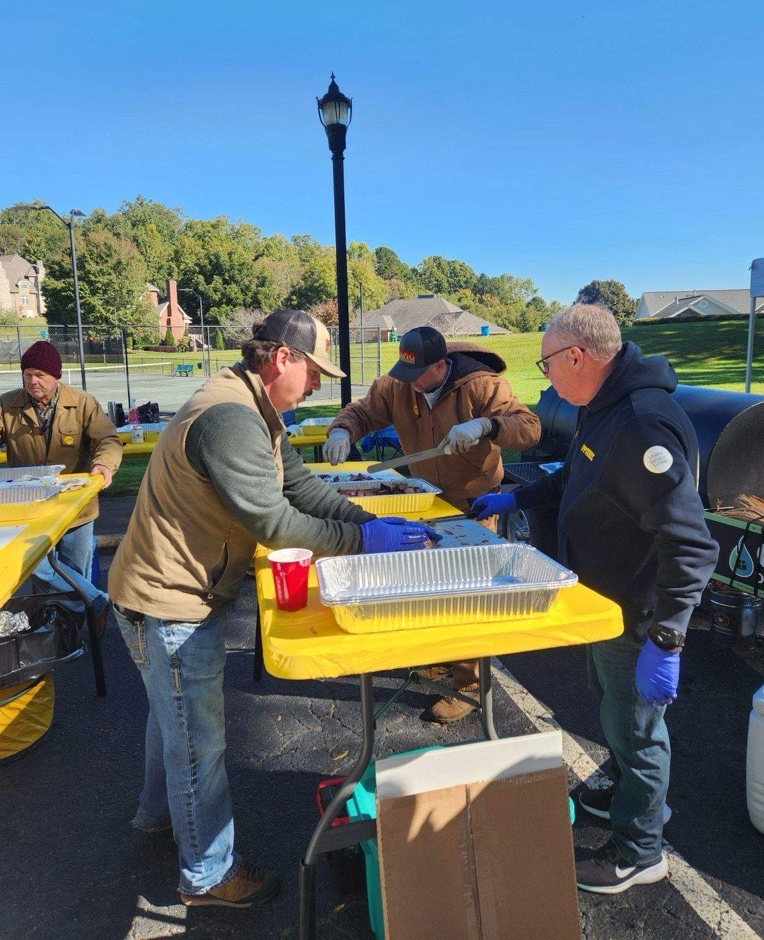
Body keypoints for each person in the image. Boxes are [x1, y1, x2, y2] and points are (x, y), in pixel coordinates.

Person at [108, 310, 439, 910]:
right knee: (196, 741)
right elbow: (274, 521)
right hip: (172, 601)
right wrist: (366, 544)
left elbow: (302, 489)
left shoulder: (258, 410)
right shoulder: (232, 418)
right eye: (314, 372)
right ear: (282, 359)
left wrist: (370, 521)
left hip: (167, 591)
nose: (318, 386)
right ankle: (207, 876)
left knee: (172, 718)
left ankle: (158, 815)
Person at [472, 304, 718, 894]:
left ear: (577, 357)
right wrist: (517, 498)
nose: (546, 376)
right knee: (613, 708)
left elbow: (690, 541)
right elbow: (576, 478)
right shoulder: (603, 411)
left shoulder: (639, 425)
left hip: (636, 612)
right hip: (600, 602)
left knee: (638, 728)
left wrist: (668, 636)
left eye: (547, 362)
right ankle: (622, 785)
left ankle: (640, 850)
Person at [324, 325, 541, 722]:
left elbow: (528, 426)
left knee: (467, 593)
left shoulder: (481, 385)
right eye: (403, 373)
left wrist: (486, 426)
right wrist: (342, 428)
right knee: (427, 587)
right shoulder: (399, 383)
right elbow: (362, 410)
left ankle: (469, 684)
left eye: (417, 374)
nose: (408, 383)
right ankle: (441, 660)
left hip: (475, 502)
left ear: (441, 365)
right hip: (424, 501)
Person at [0, 340, 122, 635]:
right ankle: (96, 602)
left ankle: (73, 634)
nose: (33, 381)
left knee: (73, 570)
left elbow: (108, 439)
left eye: (40, 374)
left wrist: (104, 465)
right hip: (30, 507)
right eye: (27, 374)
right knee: (33, 566)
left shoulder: (82, 404)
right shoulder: (7, 405)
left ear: (57, 375)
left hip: (76, 507)